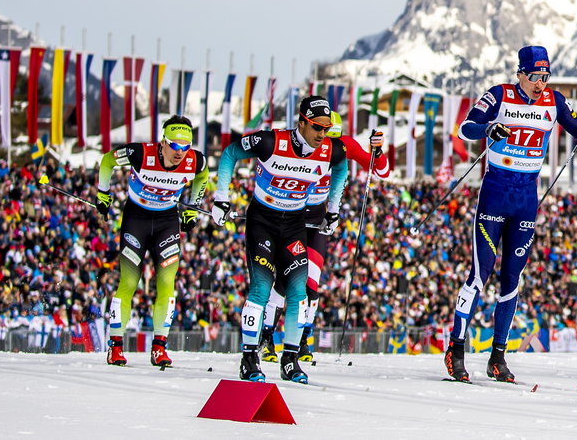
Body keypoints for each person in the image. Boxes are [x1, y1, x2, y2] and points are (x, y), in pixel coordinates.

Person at [443, 45, 577, 383]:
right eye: (535, 76)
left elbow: (576, 124)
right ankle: (456, 350)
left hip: (527, 198)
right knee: (480, 274)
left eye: (546, 76)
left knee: (512, 279)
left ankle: (498, 357)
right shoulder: (499, 95)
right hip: (495, 193)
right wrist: (488, 130)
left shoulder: (553, 101)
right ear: (520, 74)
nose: (541, 83)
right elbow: (466, 127)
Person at [213, 95, 353, 384]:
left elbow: (342, 169)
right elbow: (229, 154)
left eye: (326, 129)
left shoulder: (329, 149)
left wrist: (334, 208)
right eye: (316, 127)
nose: (321, 134)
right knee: (262, 290)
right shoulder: (269, 141)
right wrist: (221, 199)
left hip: (293, 224)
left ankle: (290, 360)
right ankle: (249, 358)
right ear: (301, 122)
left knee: (298, 293)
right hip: (262, 222)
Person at [259, 112, 389, 363]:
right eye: (323, 137)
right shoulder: (299, 145)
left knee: (311, 283)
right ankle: (267, 337)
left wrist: (378, 152)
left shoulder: (343, 146)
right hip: (292, 218)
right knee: (286, 281)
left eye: (334, 138)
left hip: (318, 222)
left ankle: (303, 339)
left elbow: (381, 171)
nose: (327, 145)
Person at [97, 115, 209, 367]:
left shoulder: (195, 160)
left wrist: (193, 207)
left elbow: (203, 177)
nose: (180, 152)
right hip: (136, 218)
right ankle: (115, 346)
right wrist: (102, 194)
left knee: (167, 281)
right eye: (175, 145)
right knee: (128, 281)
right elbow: (107, 161)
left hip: (166, 222)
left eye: (185, 146)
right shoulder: (140, 153)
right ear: (163, 142)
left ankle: (159, 346)